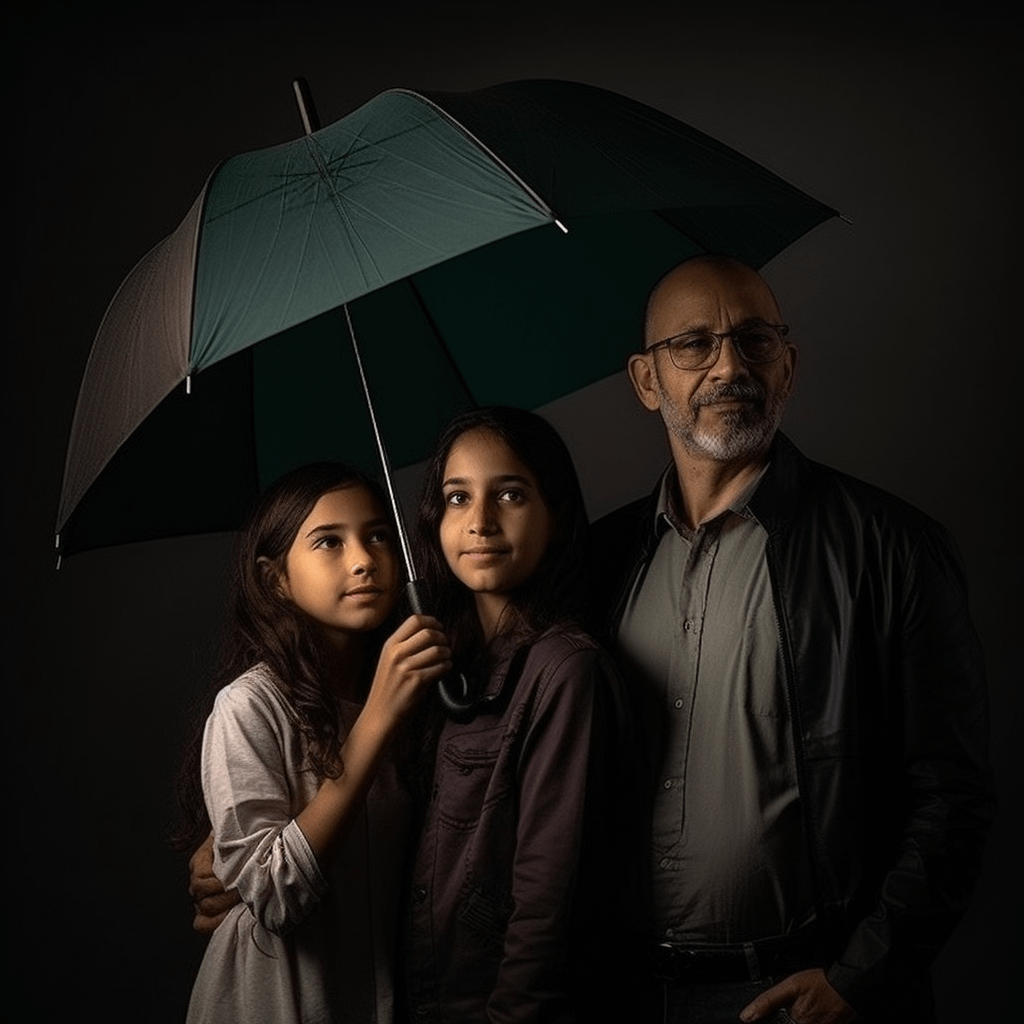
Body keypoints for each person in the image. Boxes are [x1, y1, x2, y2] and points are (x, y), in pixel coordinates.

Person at [589, 253, 993, 1023]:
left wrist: (858, 978)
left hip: (803, 996)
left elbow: (953, 796)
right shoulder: (599, 562)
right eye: (693, 345)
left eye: (754, 340)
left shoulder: (893, 548)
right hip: (624, 994)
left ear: (790, 364)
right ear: (647, 382)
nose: (728, 366)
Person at [173, 461, 451, 1024]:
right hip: (273, 1004)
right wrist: (377, 717)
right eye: (328, 541)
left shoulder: (424, 695)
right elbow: (273, 897)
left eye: (378, 536)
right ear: (276, 579)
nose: (362, 560)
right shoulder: (249, 707)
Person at [403, 405, 635, 1022]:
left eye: (509, 495)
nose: (479, 522)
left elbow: (547, 908)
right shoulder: (433, 667)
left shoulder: (565, 671)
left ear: (554, 516)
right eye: (457, 498)